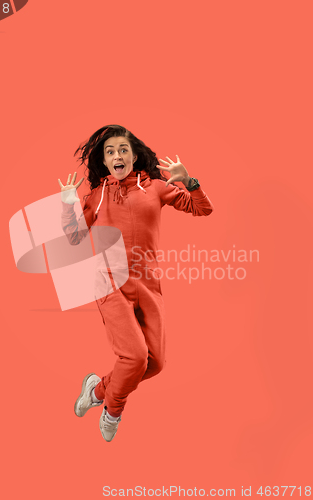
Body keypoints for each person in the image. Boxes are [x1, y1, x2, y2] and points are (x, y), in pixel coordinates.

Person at [58, 124, 214, 442]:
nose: (117, 155)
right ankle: (113, 410)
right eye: (110, 151)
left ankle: (98, 390)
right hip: (109, 284)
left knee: (154, 364)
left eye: (123, 150)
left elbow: (203, 208)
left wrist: (189, 181)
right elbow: (73, 237)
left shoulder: (156, 187)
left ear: (133, 155)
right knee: (134, 357)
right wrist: (67, 204)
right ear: (103, 160)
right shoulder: (98, 196)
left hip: (148, 285)